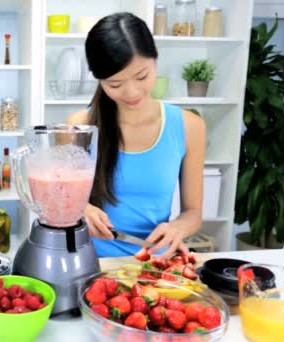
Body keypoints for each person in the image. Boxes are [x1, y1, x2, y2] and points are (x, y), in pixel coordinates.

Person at [66, 12, 206, 258]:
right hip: (90, 262)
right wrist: (81, 209)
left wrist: (177, 228)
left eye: (141, 76)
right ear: (99, 80)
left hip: (155, 261)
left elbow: (193, 213)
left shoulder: (190, 127)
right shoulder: (80, 127)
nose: (131, 92)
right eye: (115, 84)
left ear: (155, 58)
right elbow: (61, 197)